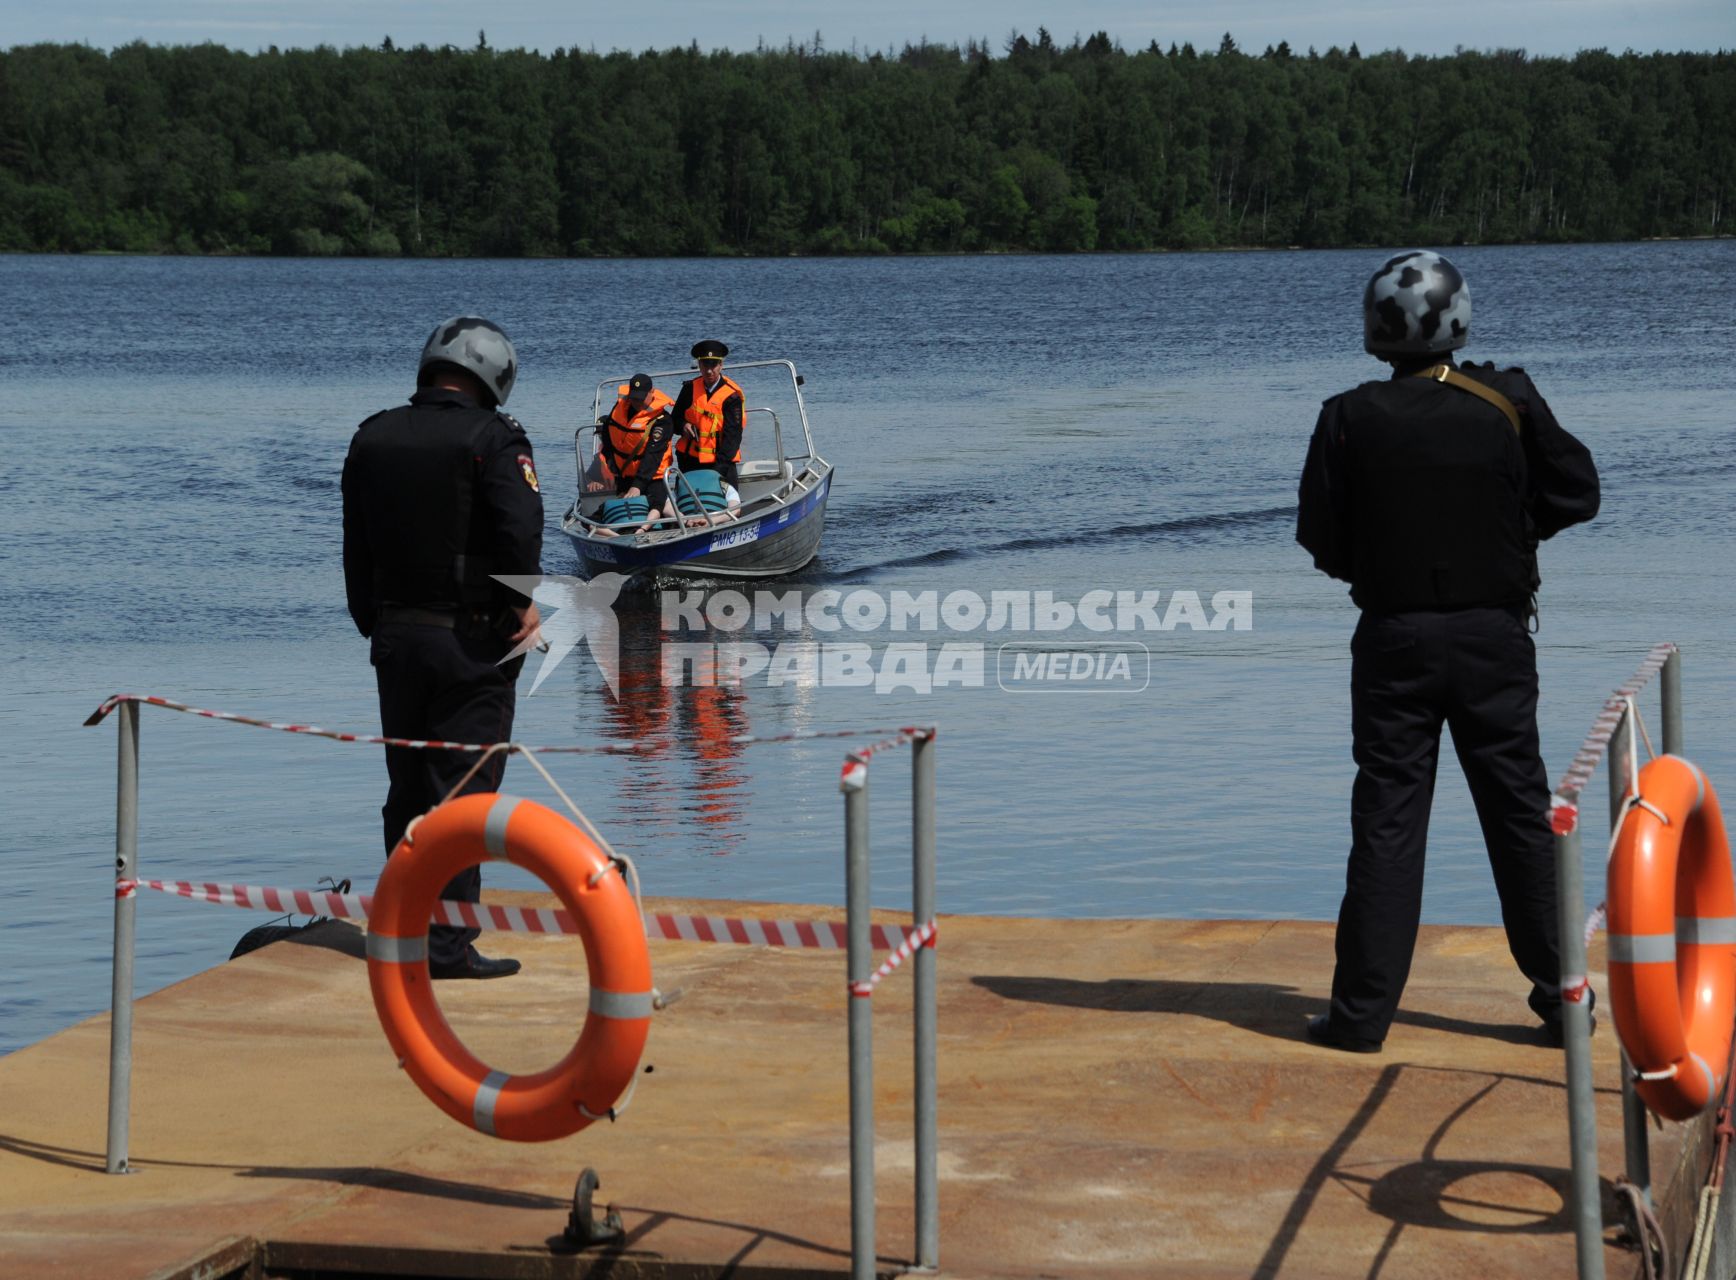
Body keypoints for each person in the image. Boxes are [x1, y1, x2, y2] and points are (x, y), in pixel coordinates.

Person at [1296, 250, 1600, 1052]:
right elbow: (1578, 493)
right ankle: (1563, 1003)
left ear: (1377, 328)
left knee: (1389, 823)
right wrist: (1510, 527)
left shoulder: (1346, 416)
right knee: (1520, 817)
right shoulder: (1505, 402)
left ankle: (1361, 1020)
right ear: (1458, 319)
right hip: (1493, 641)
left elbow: (1320, 541)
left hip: (1393, 640)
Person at [342, 315, 544, 980]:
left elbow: (356, 546)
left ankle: (402, 931)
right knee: (461, 795)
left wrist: (374, 621)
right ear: (495, 377)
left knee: (406, 791)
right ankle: (447, 949)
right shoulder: (496, 438)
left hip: (396, 637)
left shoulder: (372, 436)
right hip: (471, 640)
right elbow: (519, 530)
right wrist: (521, 606)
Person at [588, 373, 678, 538]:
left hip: (652, 479)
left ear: (652, 393)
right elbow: (608, 435)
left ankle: (658, 529)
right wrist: (613, 466)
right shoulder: (620, 407)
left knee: (659, 507)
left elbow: (653, 456)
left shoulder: (663, 421)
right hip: (625, 476)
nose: (636, 402)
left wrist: (637, 486)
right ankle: (617, 538)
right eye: (633, 398)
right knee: (590, 520)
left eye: (640, 398)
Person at [670, 339, 744, 490]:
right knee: (687, 502)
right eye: (705, 365)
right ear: (699, 365)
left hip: (721, 463)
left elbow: (733, 437)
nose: (709, 371)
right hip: (690, 460)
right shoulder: (689, 389)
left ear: (721, 365)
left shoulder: (731, 397)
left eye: (713, 365)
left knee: (727, 505)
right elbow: (674, 420)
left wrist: (717, 472)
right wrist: (683, 425)